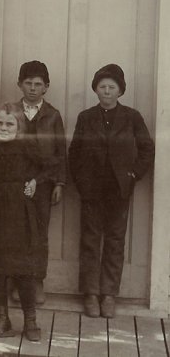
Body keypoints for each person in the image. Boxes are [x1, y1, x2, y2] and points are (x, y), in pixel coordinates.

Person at [69, 64, 154, 318]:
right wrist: (82, 182)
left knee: (115, 242)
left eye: (112, 87)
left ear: (120, 91)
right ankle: (91, 294)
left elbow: (147, 149)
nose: (106, 91)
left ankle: (108, 294)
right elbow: (74, 153)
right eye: (102, 87)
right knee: (90, 241)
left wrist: (133, 175)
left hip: (119, 190)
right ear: (96, 90)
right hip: (92, 191)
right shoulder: (86, 117)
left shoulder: (132, 117)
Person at [0, 103, 52, 341]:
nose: (4, 128)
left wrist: (35, 182)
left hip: (20, 214)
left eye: (10, 124)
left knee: (23, 269)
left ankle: (30, 320)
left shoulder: (27, 147)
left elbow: (48, 168)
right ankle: (2, 318)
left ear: (19, 127)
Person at [11, 60, 67, 305]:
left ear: (46, 87)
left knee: (39, 233)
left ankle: (36, 281)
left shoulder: (52, 115)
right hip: (14, 181)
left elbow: (59, 152)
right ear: (20, 85)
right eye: (28, 83)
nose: (32, 88)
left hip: (43, 182)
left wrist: (59, 183)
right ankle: (16, 281)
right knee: (16, 231)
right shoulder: (10, 112)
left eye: (38, 84)